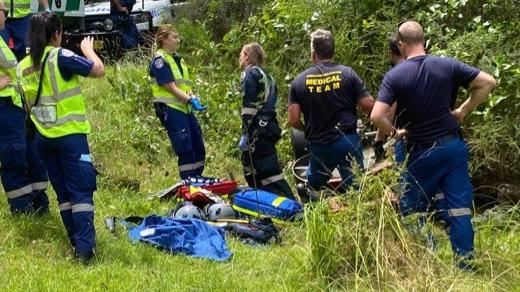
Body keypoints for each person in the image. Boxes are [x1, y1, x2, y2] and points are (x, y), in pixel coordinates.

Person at [370, 21, 496, 269]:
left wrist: (395, 133)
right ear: (423, 40)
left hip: (421, 151)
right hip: (453, 147)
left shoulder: (395, 75)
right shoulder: (447, 64)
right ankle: (465, 264)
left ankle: (428, 259)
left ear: (401, 44)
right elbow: (488, 82)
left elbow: (376, 116)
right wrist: (463, 109)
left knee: (411, 209)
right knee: (459, 209)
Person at [17, 12, 104, 262]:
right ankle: (86, 251)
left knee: (64, 194)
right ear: (56, 34)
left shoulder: (23, 66)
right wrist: (88, 49)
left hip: (43, 140)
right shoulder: (60, 56)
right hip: (70, 137)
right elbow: (98, 70)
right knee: (81, 192)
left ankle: (76, 243)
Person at [288, 29, 374, 191]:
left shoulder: (299, 82)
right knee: (357, 189)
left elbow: (293, 119)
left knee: (314, 189)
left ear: (313, 53)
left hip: (320, 144)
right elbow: (369, 105)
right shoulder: (348, 74)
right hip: (347, 140)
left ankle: (318, 212)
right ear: (332, 50)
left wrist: (306, 129)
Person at [0, 0, 49, 214]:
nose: (5, 15)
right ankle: (22, 207)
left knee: (30, 151)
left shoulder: (4, 39)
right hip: (5, 107)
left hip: (17, 105)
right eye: (2, 11)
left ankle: (39, 201)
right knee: (14, 154)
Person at [149, 24, 207, 180]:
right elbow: (171, 87)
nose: (178, 40)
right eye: (175, 37)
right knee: (185, 148)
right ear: (164, 40)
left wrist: (193, 96)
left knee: (198, 144)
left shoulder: (178, 59)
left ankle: (198, 178)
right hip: (171, 109)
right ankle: (188, 181)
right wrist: (189, 99)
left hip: (185, 108)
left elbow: (185, 85)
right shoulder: (159, 61)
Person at [237, 42, 294, 199]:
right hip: (268, 127)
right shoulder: (267, 76)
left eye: (241, 54)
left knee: (264, 172)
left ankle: (290, 209)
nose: (239, 58)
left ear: (247, 56)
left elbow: (248, 107)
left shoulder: (249, 74)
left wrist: (245, 132)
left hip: (257, 131)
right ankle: (272, 206)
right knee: (262, 172)